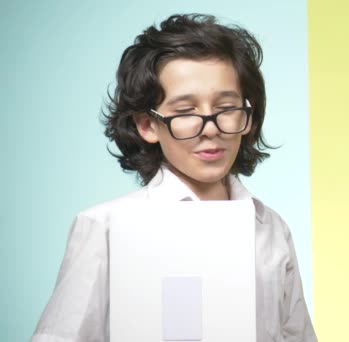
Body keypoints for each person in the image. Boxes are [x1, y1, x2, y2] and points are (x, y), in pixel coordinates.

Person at [31, 13, 317, 342]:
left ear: (248, 116)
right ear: (147, 124)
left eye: (226, 107)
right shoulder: (105, 227)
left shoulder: (271, 229)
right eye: (185, 112)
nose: (210, 128)